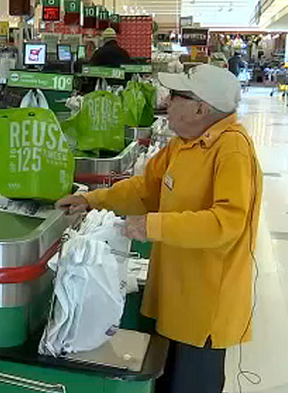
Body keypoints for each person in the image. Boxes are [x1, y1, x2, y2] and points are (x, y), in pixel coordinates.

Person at [56, 64, 262, 393]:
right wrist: (92, 200)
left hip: (203, 305)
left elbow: (227, 222)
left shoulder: (232, 150)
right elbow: (145, 190)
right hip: (174, 292)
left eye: (177, 96)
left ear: (200, 108)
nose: (166, 101)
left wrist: (154, 226)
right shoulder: (184, 144)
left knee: (192, 384)